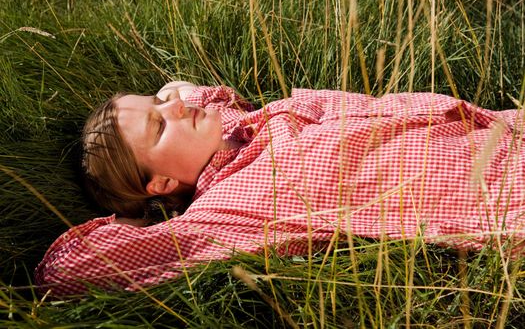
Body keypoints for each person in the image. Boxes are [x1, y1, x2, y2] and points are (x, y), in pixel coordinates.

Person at [35, 82, 525, 296]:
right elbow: (68, 271)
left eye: (160, 103)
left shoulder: (243, 125)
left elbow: (195, 91)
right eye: (159, 128)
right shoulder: (228, 209)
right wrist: (136, 213)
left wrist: (169, 101)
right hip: (498, 191)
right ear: (160, 182)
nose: (176, 108)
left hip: (494, 130)